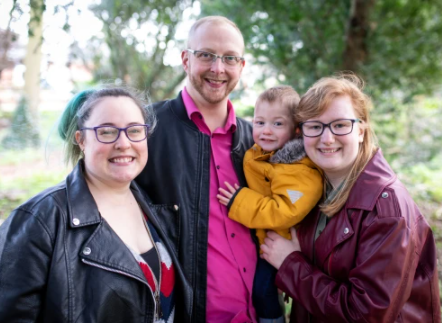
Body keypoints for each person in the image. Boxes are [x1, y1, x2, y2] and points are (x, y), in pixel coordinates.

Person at [0, 87, 192, 322]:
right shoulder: (39, 220)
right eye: (108, 132)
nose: (124, 143)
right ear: (81, 140)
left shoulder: (152, 206)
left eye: (134, 130)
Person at [261, 74, 441, 323]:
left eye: (340, 125)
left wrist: (290, 264)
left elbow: (365, 314)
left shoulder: (387, 210)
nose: (327, 138)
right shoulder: (314, 191)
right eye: (315, 126)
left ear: (361, 130)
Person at [135, 16, 257, 322]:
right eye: (206, 55)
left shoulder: (258, 140)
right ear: (186, 60)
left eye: (229, 58)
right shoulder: (145, 129)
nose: (218, 68)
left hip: (259, 312)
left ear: (241, 67)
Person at [217, 86, 323, 323]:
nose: (266, 131)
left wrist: (239, 200)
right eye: (259, 122)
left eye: (277, 124)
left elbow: (285, 211)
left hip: (281, 244)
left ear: (296, 130)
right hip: (260, 237)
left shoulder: (301, 169)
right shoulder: (258, 154)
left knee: (263, 291)